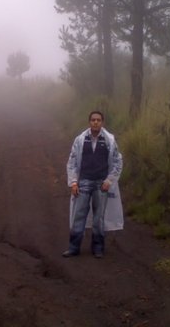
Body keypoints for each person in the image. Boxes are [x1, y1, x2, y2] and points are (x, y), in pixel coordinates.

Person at [63, 110, 124, 259]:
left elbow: (117, 162)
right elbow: (72, 162)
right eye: (93, 120)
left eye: (98, 120)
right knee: (79, 215)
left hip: (100, 184)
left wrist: (109, 181)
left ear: (102, 122)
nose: (95, 122)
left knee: (99, 218)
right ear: (89, 122)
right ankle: (73, 247)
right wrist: (73, 182)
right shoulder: (80, 140)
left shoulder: (109, 140)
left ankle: (98, 248)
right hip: (83, 182)